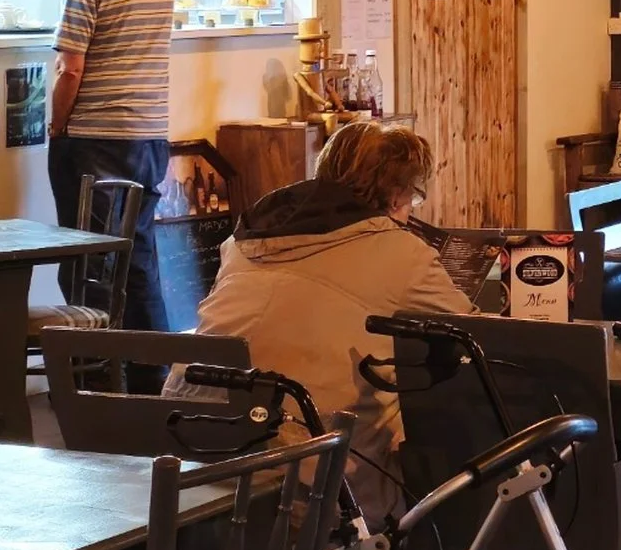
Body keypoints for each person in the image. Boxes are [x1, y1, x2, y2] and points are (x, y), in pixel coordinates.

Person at [179, 122, 467, 509]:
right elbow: (474, 336)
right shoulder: (403, 253)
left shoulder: (242, 239)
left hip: (196, 460)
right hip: (311, 486)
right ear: (399, 193)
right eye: (414, 197)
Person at [47, 0, 176, 331]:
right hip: (150, 135)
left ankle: (97, 368)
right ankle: (149, 369)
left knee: (91, 256)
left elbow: (70, 67)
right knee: (136, 253)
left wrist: (57, 125)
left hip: (97, 137)